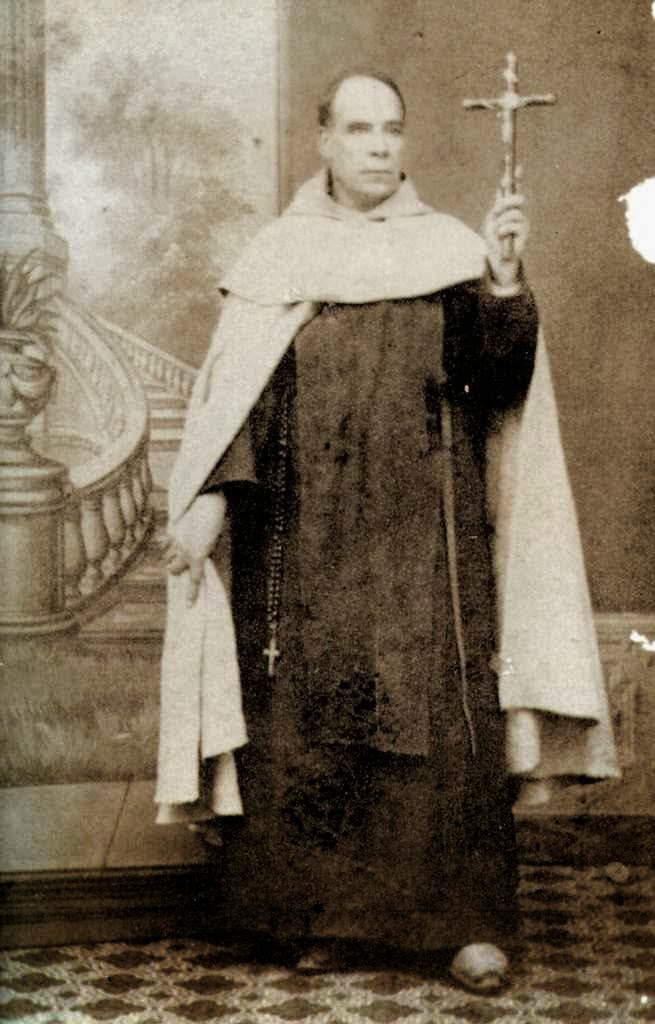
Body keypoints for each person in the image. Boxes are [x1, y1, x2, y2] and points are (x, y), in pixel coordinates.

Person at [156, 71, 619, 992]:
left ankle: (462, 926)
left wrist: (503, 281)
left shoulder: (447, 252)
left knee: (438, 735)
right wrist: (210, 503)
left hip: (426, 546)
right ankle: (324, 919)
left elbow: (495, 387)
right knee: (308, 726)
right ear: (323, 140)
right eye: (359, 129)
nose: (378, 146)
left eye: (392, 129)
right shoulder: (279, 257)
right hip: (304, 545)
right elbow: (248, 403)